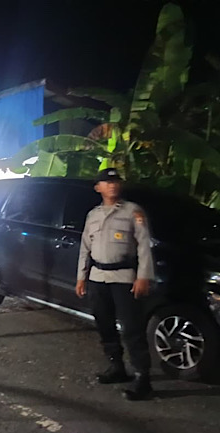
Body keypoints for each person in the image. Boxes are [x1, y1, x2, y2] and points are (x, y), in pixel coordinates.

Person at [75, 168, 155, 401]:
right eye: (107, 182)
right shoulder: (93, 215)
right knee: (105, 325)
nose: (112, 185)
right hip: (98, 278)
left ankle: (142, 377)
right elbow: (85, 248)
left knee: (132, 328)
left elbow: (144, 245)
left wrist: (143, 276)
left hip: (124, 278)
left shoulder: (133, 211)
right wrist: (81, 277)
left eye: (116, 181)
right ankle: (116, 366)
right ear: (97, 187)